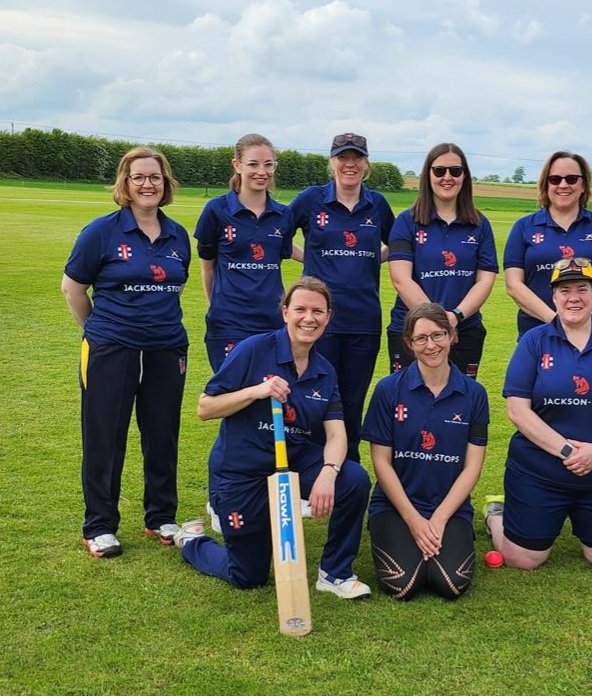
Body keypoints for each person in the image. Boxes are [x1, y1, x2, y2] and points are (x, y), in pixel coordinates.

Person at [174, 278, 372, 598]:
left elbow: (337, 434)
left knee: (353, 479)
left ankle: (335, 572)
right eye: (301, 309)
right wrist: (258, 391)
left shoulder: (324, 370)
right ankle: (193, 541)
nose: (309, 318)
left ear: (328, 317)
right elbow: (205, 408)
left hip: (294, 459)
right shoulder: (253, 350)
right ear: (285, 313)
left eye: (318, 311)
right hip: (242, 469)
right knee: (247, 575)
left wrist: (328, 472)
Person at [62, 147, 190, 557]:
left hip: (166, 349)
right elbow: (73, 288)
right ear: (126, 184)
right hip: (111, 349)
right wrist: (98, 332)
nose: (148, 184)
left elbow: (176, 285)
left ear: (165, 183)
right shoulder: (101, 232)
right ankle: (99, 526)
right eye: (139, 177)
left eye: (155, 177)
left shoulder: (177, 235)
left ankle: (161, 517)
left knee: (161, 434)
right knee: (105, 436)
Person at [485, 258, 592, 570]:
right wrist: (567, 451)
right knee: (523, 560)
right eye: (564, 290)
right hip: (540, 470)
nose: (573, 297)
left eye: (582, 289)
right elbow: (517, 410)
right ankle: (496, 517)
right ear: (554, 297)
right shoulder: (534, 341)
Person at [362, 303, 489, 600]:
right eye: (421, 338)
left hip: (448, 507)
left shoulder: (474, 394)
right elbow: (381, 461)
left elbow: (472, 467)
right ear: (408, 343)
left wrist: (440, 519)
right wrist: (415, 521)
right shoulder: (388, 390)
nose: (430, 345)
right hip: (396, 506)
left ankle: (480, 524)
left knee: (451, 584)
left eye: (438, 335)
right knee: (403, 585)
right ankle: (398, 536)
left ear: (452, 336)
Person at [288, 133, 395, 463]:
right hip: (318, 321)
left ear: (366, 164)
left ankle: (347, 469)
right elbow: (276, 236)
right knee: (315, 396)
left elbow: (401, 245)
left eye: (357, 158)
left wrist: (369, 259)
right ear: (332, 162)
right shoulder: (311, 199)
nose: (350, 164)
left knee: (351, 400)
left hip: (363, 320)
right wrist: (308, 260)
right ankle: (310, 466)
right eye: (343, 157)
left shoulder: (377, 204)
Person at [387, 144, 498, 377]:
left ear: (464, 176)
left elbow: (485, 280)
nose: (447, 177)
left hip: (464, 329)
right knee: (409, 404)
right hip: (411, 330)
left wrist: (455, 317)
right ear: (427, 175)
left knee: (458, 406)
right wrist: (437, 324)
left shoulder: (480, 224)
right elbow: (400, 279)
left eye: (455, 171)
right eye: (439, 171)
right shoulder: (406, 221)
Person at [194, 134, 298, 371]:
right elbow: (207, 264)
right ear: (237, 165)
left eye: (268, 164)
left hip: (272, 320)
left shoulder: (284, 215)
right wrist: (216, 305)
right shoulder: (216, 210)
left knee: (272, 394)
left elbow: (283, 253)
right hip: (229, 322)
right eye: (253, 164)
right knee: (231, 395)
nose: (262, 171)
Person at [504, 151, 592, 339]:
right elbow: (514, 285)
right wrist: (555, 322)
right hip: (538, 334)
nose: (563, 185)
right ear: (546, 184)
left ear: (583, 184)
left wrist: (583, 319)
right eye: (555, 179)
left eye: (571, 179)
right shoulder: (523, 228)